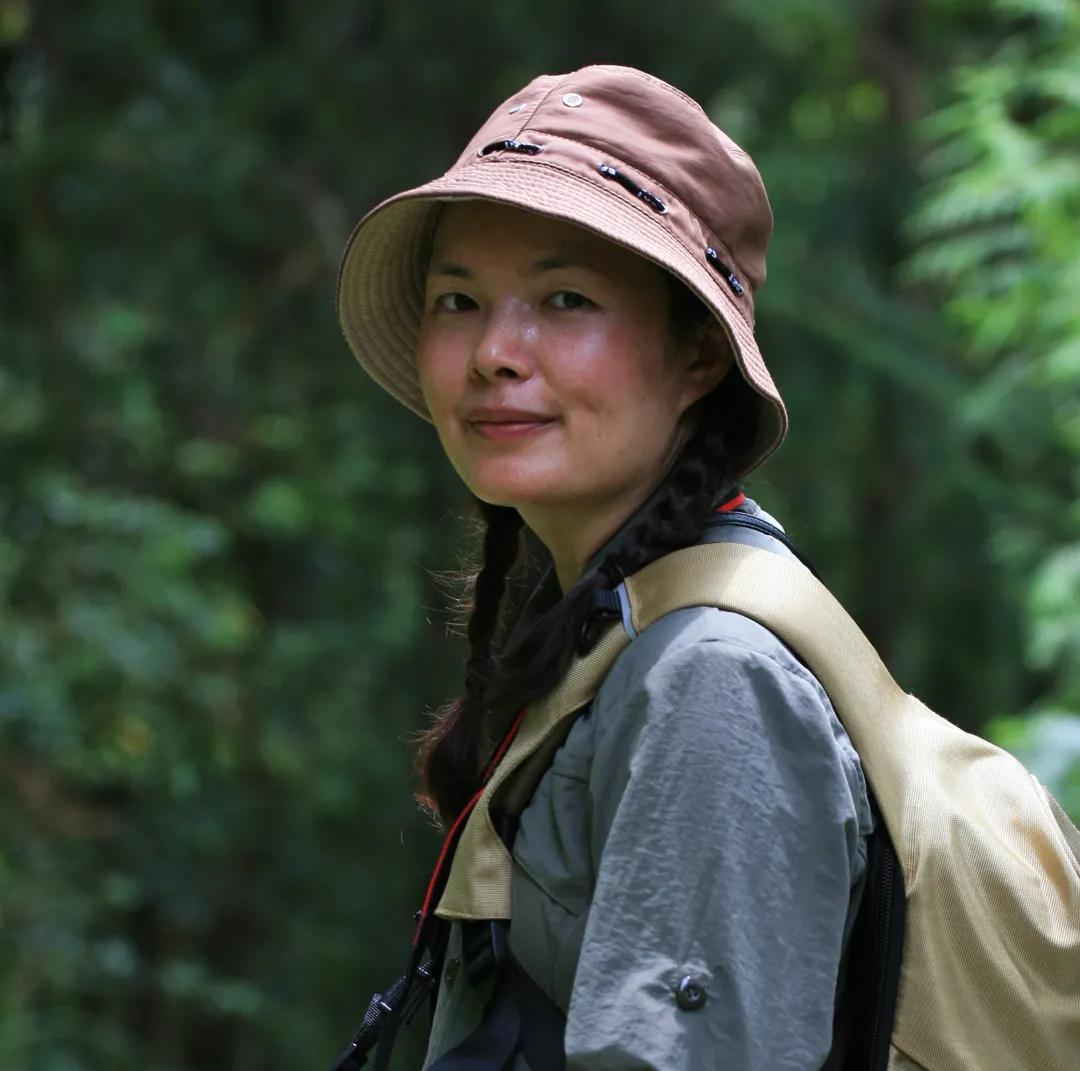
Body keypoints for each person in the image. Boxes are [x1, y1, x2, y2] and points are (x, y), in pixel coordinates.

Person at [335, 64, 875, 1070]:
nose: (495, 351)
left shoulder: (712, 679)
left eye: (566, 298)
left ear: (699, 354)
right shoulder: (606, 634)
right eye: (459, 300)